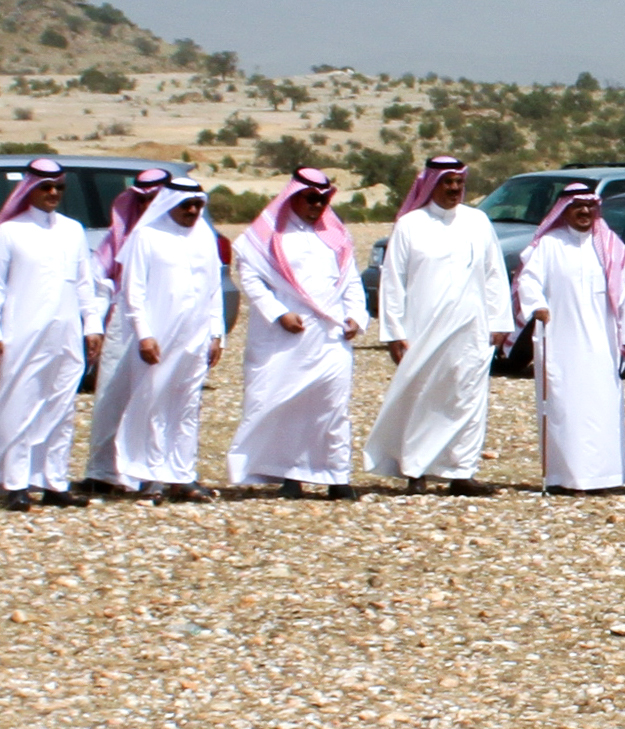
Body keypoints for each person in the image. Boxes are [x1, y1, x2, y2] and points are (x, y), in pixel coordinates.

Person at [365, 155, 516, 494]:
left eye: (459, 183)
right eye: (447, 182)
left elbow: (494, 273)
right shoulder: (410, 225)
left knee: (468, 398)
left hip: (472, 329)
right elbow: (393, 282)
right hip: (423, 329)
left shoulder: (478, 221)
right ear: (431, 184)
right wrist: (393, 332)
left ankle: (461, 472)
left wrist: (500, 318)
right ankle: (415, 471)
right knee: (423, 397)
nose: (453, 189)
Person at [0, 157, 104, 510]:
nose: (53, 193)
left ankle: (54, 482)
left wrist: (92, 324)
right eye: (46, 187)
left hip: (67, 332)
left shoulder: (73, 230)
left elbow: (85, 283)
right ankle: (15, 484)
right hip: (22, 332)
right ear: (29, 189)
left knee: (61, 407)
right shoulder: (11, 231)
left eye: (59, 187)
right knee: (20, 407)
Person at [228, 168, 371, 498]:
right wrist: (280, 314)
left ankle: (337, 477)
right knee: (289, 405)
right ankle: (291, 475)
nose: (318, 205)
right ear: (293, 197)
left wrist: (355, 317)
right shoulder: (269, 235)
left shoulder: (335, 236)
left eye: (324, 199)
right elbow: (251, 277)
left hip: (331, 336)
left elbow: (350, 281)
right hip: (286, 337)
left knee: (333, 406)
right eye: (311, 198)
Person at [106, 181, 227, 501]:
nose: (192, 211)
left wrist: (217, 333)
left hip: (196, 337)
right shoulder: (147, 236)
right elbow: (134, 292)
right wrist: (144, 334)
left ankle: (182, 475)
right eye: (185, 204)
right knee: (152, 405)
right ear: (169, 203)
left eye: (197, 205)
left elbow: (214, 288)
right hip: (157, 339)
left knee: (187, 406)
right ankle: (151, 478)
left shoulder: (204, 235)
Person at [515, 179, 625, 492]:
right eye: (577, 207)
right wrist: (537, 306)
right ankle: (562, 477)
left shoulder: (610, 246)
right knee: (563, 406)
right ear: (564, 211)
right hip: (561, 341)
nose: (584, 212)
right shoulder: (548, 245)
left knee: (602, 405)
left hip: (602, 343)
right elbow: (528, 282)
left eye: (589, 207)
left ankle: (604, 477)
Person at [76, 166, 173, 494]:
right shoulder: (123, 234)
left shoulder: (183, 235)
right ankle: (103, 470)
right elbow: (100, 283)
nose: (149, 208)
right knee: (111, 396)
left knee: (160, 397)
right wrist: (95, 326)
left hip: (167, 320)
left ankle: (156, 471)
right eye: (143, 201)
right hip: (124, 321)